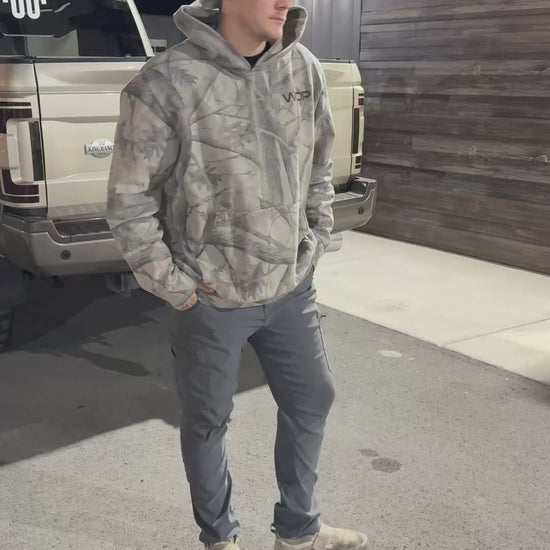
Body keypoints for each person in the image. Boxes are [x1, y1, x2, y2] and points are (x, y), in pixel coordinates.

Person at [107, 0, 368, 548]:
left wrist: (315, 238)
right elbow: (130, 201)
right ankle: (220, 538)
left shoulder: (303, 68)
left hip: (290, 286)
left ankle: (298, 531)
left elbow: (319, 165)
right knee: (207, 421)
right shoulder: (166, 81)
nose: (285, 2)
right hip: (210, 297)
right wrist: (176, 286)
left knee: (312, 398)